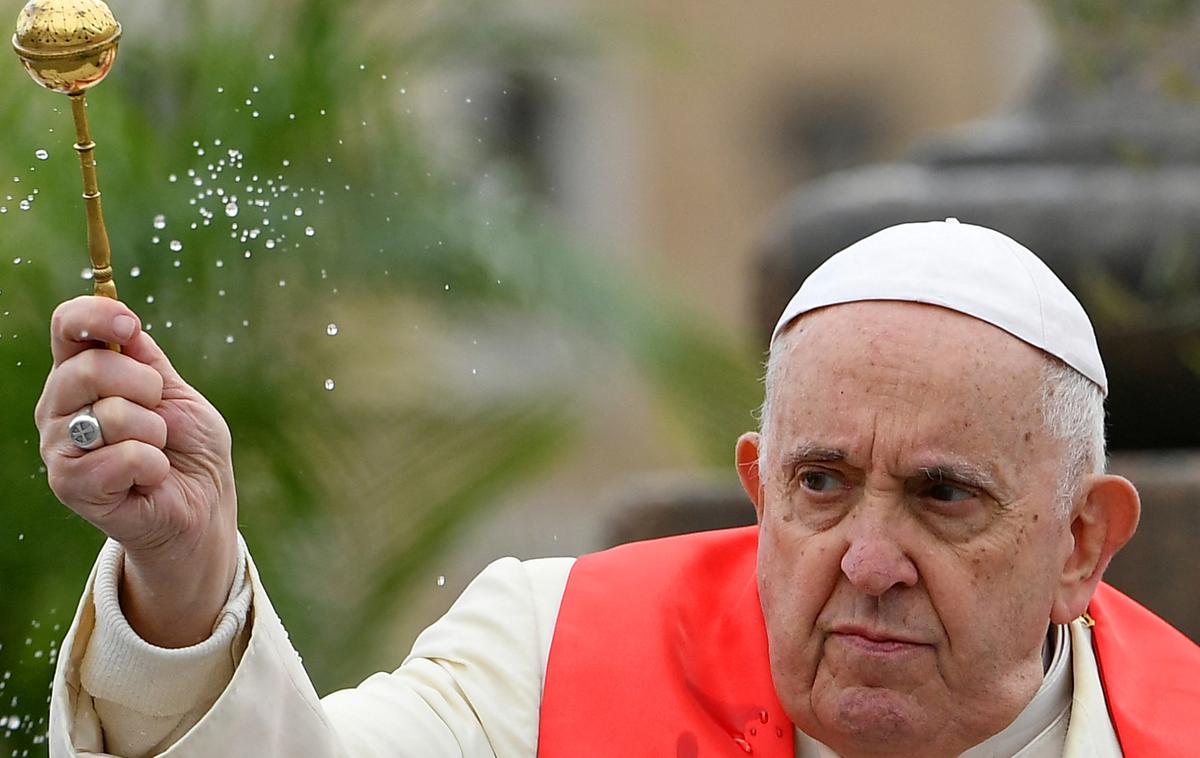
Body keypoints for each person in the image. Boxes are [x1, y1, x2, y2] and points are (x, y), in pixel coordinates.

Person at [36, 219, 1198, 758]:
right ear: (757, 487)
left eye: (944, 495)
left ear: (1081, 541)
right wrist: (183, 572)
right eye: (823, 483)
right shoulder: (554, 655)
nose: (869, 558)